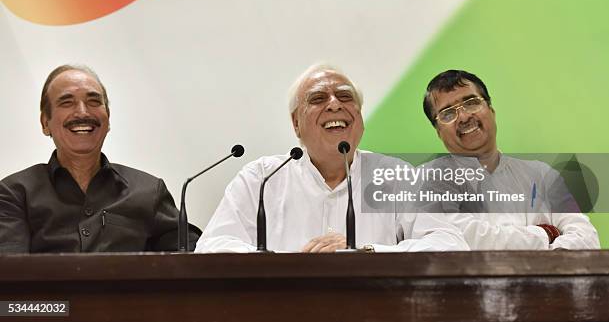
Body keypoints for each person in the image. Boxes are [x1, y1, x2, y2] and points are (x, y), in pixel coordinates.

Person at [196, 64, 468, 253]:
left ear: (359, 117)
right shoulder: (262, 178)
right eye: (317, 98)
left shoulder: (396, 176)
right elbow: (212, 246)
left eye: (345, 97)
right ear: (296, 124)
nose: (335, 104)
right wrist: (283, 265)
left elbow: (448, 244)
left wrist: (366, 252)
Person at [0, 64, 200, 253]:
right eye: (67, 102)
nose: (82, 112)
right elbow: (12, 276)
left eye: (94, 101)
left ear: (108, 118)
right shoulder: (15, 193)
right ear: (45, 123)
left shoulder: (149, 191)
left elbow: (193, 259)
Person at [421, 69, 600, 250]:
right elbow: (457, 239)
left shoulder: (542, 175)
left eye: (471, 102)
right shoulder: (425, 180)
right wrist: (547, 234)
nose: (465, 117)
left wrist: (545, 258)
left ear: (491, 110)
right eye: (448, 114)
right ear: (438, 132)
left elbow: (586, 238)